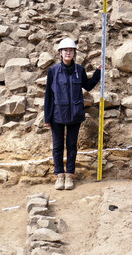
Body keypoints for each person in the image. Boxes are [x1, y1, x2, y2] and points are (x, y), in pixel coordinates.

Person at [44, 37, 100, 190]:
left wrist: (98, 74)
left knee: (71, 145)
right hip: (57, 115)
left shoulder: (79, 70)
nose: (68, 53)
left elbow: (87, 85)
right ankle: (59, 175)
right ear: (60, 53)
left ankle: (69, 175)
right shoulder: (53, 71)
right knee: (57, 146)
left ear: (74, 53)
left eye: (71, 50)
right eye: (65, 50)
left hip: (75, 114)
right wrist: (47, 116)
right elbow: (49, 95)